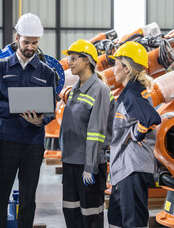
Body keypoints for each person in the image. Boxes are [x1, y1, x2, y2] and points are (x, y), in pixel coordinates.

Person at [0, 13, 56, 228]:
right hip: (6, 139)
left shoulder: (46, 73)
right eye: (26, 42)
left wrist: (40, 121)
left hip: (33, 143)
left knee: (28, 199)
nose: (30, 47)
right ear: (17, 38)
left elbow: (51, 110)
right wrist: (16, 110)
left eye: (35, 43)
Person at [59, 39, 113, 228]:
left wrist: (90, 166)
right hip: (71, 162)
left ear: (87, 60)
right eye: (69, 58)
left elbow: (96, 132)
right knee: (71, 212)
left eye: (74, 59)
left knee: (90, 215)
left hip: (87, 166)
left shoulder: (100, 90)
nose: (70, 63)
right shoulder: (75, 89)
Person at [107, 41, 161, 228]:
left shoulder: (133, 95)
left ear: (127, 69)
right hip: (124, 168)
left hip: (133, 168)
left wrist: (135, 134)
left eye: (117, 63)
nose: (113, 68)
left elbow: (151, 118)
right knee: (116, 219)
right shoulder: (129, 92)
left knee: (133, 222)